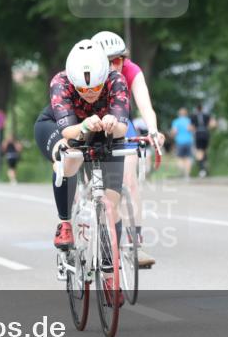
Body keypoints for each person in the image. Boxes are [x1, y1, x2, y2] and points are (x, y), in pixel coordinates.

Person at [32, 39, 129, 256]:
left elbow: (122, 128)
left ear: (104, 77)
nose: (90, 93)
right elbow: (68, 132)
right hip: (63, 128)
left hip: (104, 131)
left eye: (96, 87)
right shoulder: (60, 81)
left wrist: (113, 123)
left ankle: (111, 266)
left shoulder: (117, 80)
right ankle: (65, 223)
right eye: (83, 89)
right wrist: (85, 124)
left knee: (112, 204)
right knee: (71, 156)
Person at [92, 30, 163, 268]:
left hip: (121, 125)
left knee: (129, 180)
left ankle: (134, 243)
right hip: (91, 124)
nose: (114, 66)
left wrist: (153, 130)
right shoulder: (87, 70)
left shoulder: (131, 70)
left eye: (118, 60)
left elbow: (145, 105)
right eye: (107, 61)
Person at [191, 104, 216, 178]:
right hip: (205, 133)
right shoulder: (207, 115)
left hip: (198, 134)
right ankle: (205, 169)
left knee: (199, 151)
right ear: (202, 109)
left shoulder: (193, 116)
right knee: (205, 151)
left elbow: (191, 127)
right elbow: (213, 124)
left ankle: (202, 170)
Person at [170, 108, 195, 179]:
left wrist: (172, 136)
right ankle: (187, 175)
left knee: (179, 158)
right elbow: (192, 130)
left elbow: (174, 132)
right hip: (189, 141)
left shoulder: (176, 122)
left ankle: (182, 172)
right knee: (188, 158)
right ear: (186, 114)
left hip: (179, 142)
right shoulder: (189, 121)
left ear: (179, 114)